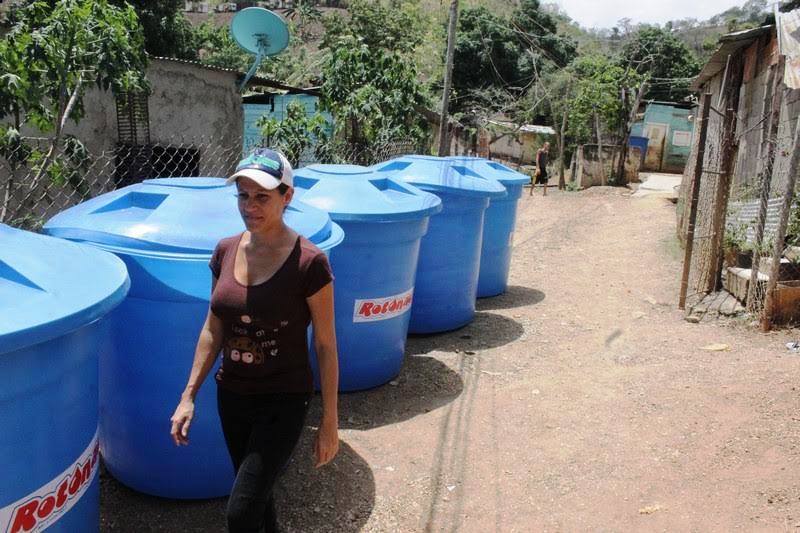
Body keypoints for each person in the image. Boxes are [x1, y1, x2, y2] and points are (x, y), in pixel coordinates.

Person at [170, 148, 339, 533]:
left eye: (262, 196)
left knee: (240, 513)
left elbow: (326, 345)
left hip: (284, 400)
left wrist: (329, 421)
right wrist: (188, 395)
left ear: (287, 197)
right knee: (258, 501)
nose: (251, 206)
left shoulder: (309, 262)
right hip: (233, 396)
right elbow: (213, 328)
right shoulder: (225, 250)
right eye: (243, 195)